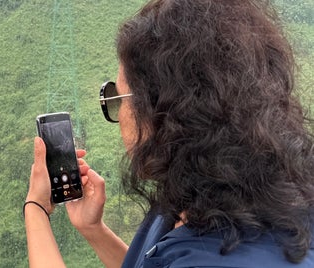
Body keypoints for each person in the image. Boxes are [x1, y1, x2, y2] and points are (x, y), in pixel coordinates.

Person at [24, 0, 314, 267]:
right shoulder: (214, 198)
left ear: (160, 114)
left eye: (118, 97)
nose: (119, 115)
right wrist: (94, 230)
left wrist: (36, 208)